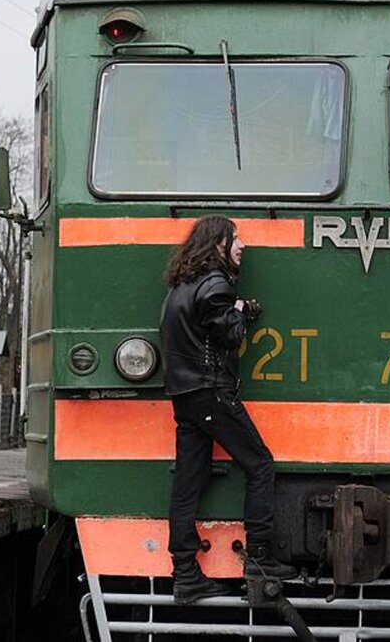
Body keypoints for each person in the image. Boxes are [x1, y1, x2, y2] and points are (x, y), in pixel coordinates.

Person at [160, 215, 297, 605]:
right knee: (259, 465)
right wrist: (241, 310)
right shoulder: (216, 284)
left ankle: (185, 574)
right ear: (218, 243)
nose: (242, 246)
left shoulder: (181, 285)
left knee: (188, 481)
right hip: (211, 392)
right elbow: (229, 332)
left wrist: (235, 308)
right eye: (235, 239)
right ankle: (260, 559)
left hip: (185, 395)